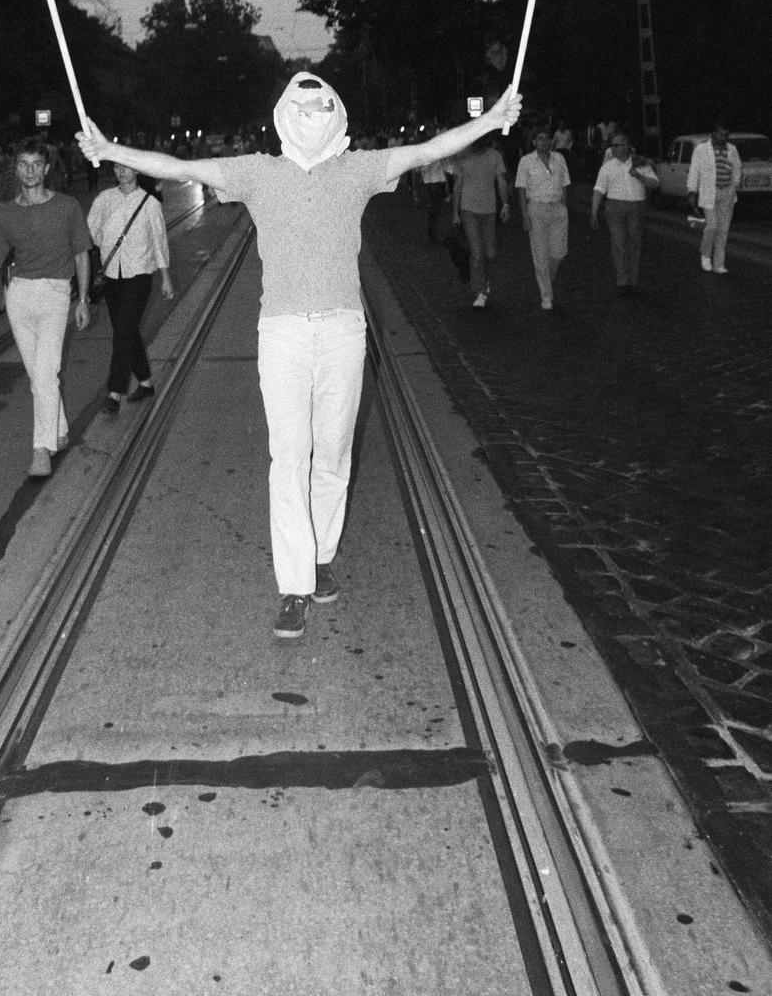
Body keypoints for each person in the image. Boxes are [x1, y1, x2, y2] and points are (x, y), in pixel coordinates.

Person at [78, 74, 521, 640]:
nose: (313, 112)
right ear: (286, 112)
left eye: (322, 104)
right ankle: (293, 586)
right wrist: (109, 149)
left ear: (334, 113)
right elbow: (181, 168)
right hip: (282, 333)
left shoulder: (359, 170)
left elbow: (429, 150)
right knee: (289, 456)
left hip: (342, 329)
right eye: (303, 104)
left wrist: (491, 119)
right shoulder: (258, 173)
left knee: (334, 453)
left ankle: (319, 557)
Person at [0, 138, 92, 478]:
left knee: (45, 374)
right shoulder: (7, 213)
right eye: (24, 165)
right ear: (17, 169)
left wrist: (82, 299)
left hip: (55, 294)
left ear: (47, 168)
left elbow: (82, 253)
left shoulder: (67, 207)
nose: (30, 171)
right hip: (19, 296)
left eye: (36, 164)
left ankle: (42, 449)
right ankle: (59, 428)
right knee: (39, 375)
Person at [88, 164, 174, 414]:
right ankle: (146, 382)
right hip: (111, 276)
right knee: (127, 331)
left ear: (137, 170)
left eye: (127, 167)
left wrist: (166, 277)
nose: (122, 172)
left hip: (139, 276)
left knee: (123, 332)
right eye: (117, 167)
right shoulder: (105, 200)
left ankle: (114, 393)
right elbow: (89, 234)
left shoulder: (150, 204)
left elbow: (159, 242)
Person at [589, 130, 658, 294]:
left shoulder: (640, 163)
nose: (614, 148)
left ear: (627, 146)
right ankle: (622, 279)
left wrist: (639, 176)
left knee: (634, 243)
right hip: (615, 207)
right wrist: (593, 212)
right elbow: (599, 190)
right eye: (613, 145)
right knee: (619, 243)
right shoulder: (607, 167)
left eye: (618, 145)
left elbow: (655, 184)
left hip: (636, 207)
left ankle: (633, 279)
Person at [451, 133, 510, 307]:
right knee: (476, 252)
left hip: (489, 210)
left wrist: (506, 204)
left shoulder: (495, 156)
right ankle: (479, 291)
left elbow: (501, 181)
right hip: (468, 209)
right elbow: (458, 185)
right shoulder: (462, 157)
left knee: (490, 253)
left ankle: (484, 280)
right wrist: (455, 212)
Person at [515, 126, 571, 310]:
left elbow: (564, 184)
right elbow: (522, 190)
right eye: (540, 138)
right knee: (540, 255)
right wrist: (525, 215)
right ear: (534, 142)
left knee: (558, 252)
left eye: (547, 138)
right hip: (536, 208)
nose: (544, 141)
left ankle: (549, 274)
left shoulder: (559, 159)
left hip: (557, 208)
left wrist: (564, 205)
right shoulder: (526, 161)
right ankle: (546, 295)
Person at [687, 122, 742, 275]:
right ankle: (705, 254)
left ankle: (719, 263)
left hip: (727, 194)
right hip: (709, 193)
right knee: (712, 226)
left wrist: (735, 184)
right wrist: (692, 191)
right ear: (713, 133)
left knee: (723, 229)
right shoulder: (701, 149)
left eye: (726, 135)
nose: (723, 138)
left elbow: (737, 168)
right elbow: (694, 171)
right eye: (721, 134)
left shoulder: (732, 149)